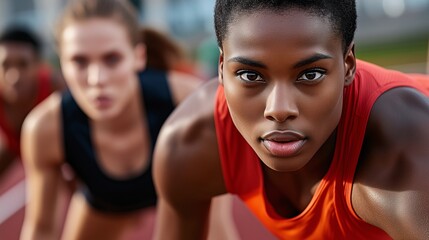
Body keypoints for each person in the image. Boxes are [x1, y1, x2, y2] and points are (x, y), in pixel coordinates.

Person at [152, 0, 429, 239]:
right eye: (250, 75)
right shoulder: (190, 143)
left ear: (348, 66)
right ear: (222, 69)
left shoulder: (405, 155)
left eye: (310, 75)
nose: (279, 109)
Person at [19, 0, 202, 239]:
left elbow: (218, 225)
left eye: (112, 59)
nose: (96, 79)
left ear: (138, 57)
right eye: (79, 61)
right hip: (105, 203)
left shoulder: (189, 103)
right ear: (61, 63)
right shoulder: (44, 128)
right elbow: (40, 229)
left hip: (185, 199)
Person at [0, 26, 64, 177]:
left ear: (38, 65)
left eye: (23, 65)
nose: (13, 76)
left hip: (59, 154)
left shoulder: (56, 88)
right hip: (15, 148)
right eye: (5, 65)